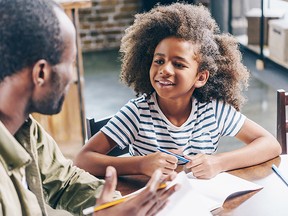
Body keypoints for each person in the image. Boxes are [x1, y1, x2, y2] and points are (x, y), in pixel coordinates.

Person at [0, 0, 178, 215]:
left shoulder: (25, 128)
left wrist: (114, 204)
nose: (73, 77)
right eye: (71, 63)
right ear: (41, 73)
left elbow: (65, 181)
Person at [75, 2, 282, 180]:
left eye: (179, 64)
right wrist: (139, 164)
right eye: (159, 61)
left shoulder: (214, 111)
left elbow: (270, 145)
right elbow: (83, 160)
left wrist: (219, 162)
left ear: (200, 77)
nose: (164, 70)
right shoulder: (137, 113)